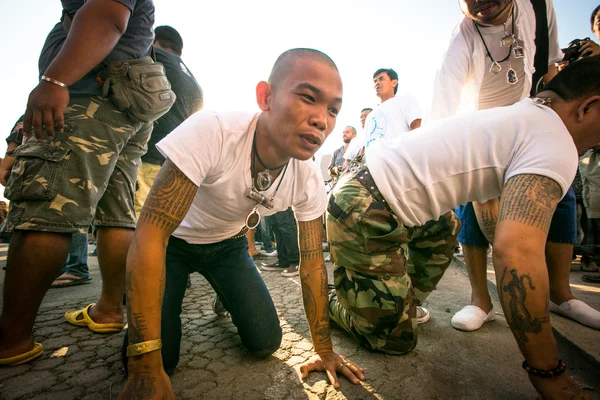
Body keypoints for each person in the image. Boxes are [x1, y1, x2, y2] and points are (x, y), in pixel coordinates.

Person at [300, 56, 600, 398]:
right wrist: (549, 373)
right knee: (395, 341)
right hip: (363, 207)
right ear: (590, 106)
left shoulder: (524, 115)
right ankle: (340, 300)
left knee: (446, 226)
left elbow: (488, 210)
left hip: (375, 194)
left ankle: (396, 303)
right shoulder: (555, 140)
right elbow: (517, 252)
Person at [119, 48, 363, 398]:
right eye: (308, 98)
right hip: (173, 246)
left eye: (333, 110)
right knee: (159, 361)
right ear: (265, 97)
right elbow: (149, 235)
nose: (322, 119)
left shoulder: (307, 177)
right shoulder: (214, 130)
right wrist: (145, 367)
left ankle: (226, 290)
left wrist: (323, 349)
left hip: (228, 248)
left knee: (266, 342)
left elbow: (311, 263)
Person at [0, 0, 156, 366]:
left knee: (48, 207)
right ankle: (108, 311)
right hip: (124, 104)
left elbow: (107, 15)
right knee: (117, 212)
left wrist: (54, 80)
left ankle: (11, 338)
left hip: (89, 98)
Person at [429, 0, 599, 332]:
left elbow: (548, 68)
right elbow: (443, 115)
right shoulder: (461, 37)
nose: (479, 3)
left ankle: (561, 295)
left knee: (561, 192)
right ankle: (481, 299)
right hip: (486, 131)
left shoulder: (539, 6)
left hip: (536, 115)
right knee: (473, 202)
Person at [134, 25, 204, 217]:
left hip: (148, 157)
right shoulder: (192, 80)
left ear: (153, 42)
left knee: (137, 220)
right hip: (175, 164)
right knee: (161, 223)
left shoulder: (155, 56)